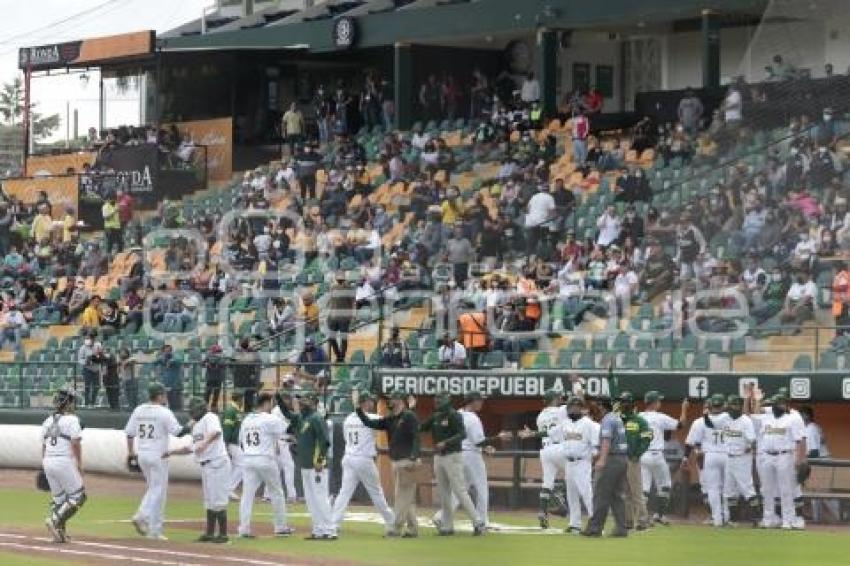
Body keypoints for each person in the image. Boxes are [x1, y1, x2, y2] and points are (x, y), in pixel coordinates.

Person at [433, 391, 506, 531]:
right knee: (481, 488)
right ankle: (482, 521)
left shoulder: (457, 413)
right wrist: (498, 438)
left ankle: (441, 517)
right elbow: (478, 441)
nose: (482, 403)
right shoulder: (473, 418)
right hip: (472, 456)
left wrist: (486, 447)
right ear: (472, 402)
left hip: (457, 454)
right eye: (479, 400)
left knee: (460, 489)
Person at [125, 382, 187, 540]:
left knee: (156, 490)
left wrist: (131, 453)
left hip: (143, 453)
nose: (165, 396)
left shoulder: (138, 410)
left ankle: (155, 530)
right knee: (157, 489)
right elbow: (178, 432)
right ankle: (141, 516)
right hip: (159, 454)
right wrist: (192, 423)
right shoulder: (164, 412)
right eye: (164, 394)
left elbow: (129, 433)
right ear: (159, 396)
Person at [420, 391, 486, 536]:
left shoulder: (454, 415)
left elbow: (462, 434)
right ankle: (447, 525)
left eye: (439, 400)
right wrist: (411, 410)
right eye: (436, 400)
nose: (436, 402)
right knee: (443, 493)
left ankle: (478, 522)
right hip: (439, 457)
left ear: (446, 401)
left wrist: (447, 442)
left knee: (460, 491)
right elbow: (421, 427)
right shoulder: (436, 416)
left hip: (453, 455)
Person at [357, 390, 421, 538]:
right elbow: (369, 422)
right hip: (396, 461)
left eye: (393, 398)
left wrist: (414, 456)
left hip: (407, 461)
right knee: (406, 498)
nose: (390, 401)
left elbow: (416, 437)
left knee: (401, 496)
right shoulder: (391, 419)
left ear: (400, 400)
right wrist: (358, 409)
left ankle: (395, 528)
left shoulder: (409, 416)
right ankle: (413, 529)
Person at [167, 398, 231, 543]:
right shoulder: (196, 426)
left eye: (193, 409)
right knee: (209, 500)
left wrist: (204, 443)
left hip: (217, 463)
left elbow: (215, 432)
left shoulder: (210, 417)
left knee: (218, 499)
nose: (191, 412)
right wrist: (171, 452)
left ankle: (223, 535)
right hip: (206, 465)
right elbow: (190, 447)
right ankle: (209, 533)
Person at [333, 390, 395, 534]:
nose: (372, 403)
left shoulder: (348, 418)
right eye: (370, 401)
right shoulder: (372, 417)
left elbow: (346, 439)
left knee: (344, 493)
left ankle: (334, 524)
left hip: (348, 458)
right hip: (364, 460)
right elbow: (389, 421)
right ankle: (391, 524)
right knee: (376, 493)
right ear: (365, 402)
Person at [533, 395, 597, 534]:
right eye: (571, 406)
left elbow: (596, 445)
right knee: (572, 495)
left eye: (576, 406)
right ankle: (575, 524)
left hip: (582, 462)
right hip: (569, 462)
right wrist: (532, 434)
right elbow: (550, 433)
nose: (573, 408)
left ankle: (595, 522)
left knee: (586, 493)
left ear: (581, 408)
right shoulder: (566, 423)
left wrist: (592, 458)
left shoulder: (589, 424)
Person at [277, 389, 335, 540]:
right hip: (304, 465)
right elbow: (286, 414)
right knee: (310, 499)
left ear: (312, 402)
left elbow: (324, 441)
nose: (301, 402)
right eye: (300, 400)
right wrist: (278, 397)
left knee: (320, 497)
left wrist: (320, 460)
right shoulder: (300, 417)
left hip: (316, 466)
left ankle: (330, 530)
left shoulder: (316, 418)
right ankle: (318, 529)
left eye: (304, 400)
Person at [237, 392, 294, 538]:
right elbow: (288, 430)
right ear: (267, 403)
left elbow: (241, 442)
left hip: (248, 458)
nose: (272, 406)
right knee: (277, 492)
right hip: (265, 459)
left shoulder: (247, 420)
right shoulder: (270, 418)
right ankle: (280, 527)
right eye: (271, 403)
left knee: (247, 495)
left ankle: (244, 528)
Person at [748, 390, 806, 529]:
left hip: (785, 455)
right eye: (779, 403)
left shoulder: (793, 418)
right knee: (766, 489)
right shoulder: (766, 416)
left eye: (784, 403)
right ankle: (769, 519)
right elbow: (751, 415)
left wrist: (800, 460)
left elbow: (801, 440)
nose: (782, 405)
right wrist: (756, 400)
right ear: (773, 405)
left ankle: (788, 520)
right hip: (766, 456)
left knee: (786, 490)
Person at [41, 388, 86, 543]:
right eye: (73, 401)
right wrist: (79, 464)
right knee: (78, 496)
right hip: (63, 461)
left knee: (60, 500)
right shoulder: (72, 419)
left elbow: (44, 446)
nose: (74, 404)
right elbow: (75, 443)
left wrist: (44, 467)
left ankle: (59, 533)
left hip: (48, 461)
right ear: (68, 403)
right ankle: (55, 520)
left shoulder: (47, 421)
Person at [638, 391, 688, 525]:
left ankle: (641, 517)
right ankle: (659, 515)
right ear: (654, 403)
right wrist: (684, 408)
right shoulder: (659, 417)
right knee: (665, 485)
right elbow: (681, 425)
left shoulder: (638, 416)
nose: (660, 403)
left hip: (642, 455)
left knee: (644, 488)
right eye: (658, 401)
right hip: (656, 455)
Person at [583, 394, 629, 537]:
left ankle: (594, 528)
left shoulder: (607, 420)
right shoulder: (617, 418)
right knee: (617, 496)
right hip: (622, 459)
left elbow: (606, 441)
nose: (594, 407)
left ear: (601, 406)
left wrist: (602, 459)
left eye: (596, 405)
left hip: (611, 460)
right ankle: (621, 528)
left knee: (601, 494)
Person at [521, 388, 566, 529]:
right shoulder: (562, 410)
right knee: (575, 475)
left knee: (547, 483)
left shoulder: (540, 415)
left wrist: (533, 434)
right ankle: (559, 496)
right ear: (554, 399)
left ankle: (542, 511)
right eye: (558, 397)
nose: (560, 399)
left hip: (546, 450)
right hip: (561, 448)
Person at [683, 394, 730, 527]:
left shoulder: (700, 421)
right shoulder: (729, 418)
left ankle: (717, 519)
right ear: (723, 405)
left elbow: (692, 443)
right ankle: (726, 517)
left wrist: (687, 457)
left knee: (712, 489)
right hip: (727, 455)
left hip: (710, 455)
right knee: (727, 488)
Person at [722, 394, 759, 526]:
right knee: (729, 489)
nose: (733, 407)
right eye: (731, 404)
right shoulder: (725, 418)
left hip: (742, 458)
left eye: (735, 405)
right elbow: (710, 423)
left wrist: (749, 448)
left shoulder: (745, 421)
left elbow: (753, 441)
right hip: (729, 457)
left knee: (747, 488)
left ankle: (757, 518)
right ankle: (733, 520)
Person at [618, 392, 652, 531]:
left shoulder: (640, 421)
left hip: (632, 459)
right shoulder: (619, 420)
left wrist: (637, 454)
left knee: (636, 491)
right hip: (620, 459)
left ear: (632, 404)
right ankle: (628, 521)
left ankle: (643, 521)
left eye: (625, 402)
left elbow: (646, 438)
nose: (623, 404)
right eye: (622, 402)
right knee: (626, 493)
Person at [267, 389, 298, 503]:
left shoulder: (284, 410)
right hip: (279, 441)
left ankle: (268, 494)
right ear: (284, 399)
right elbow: (276, 429)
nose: (289, 401)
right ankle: (291, 495)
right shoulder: (276, 411)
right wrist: (275, 444)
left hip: (283, 441)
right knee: (288, 467)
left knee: (275, 469)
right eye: (288, 399)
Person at [326, 273, 355, 362]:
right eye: (338, 278)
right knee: (331, 338)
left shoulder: (349, 288)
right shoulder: (332, 287)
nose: (340, 279)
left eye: (341, 278)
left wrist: (352, 315)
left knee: (343, 339)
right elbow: (330, 301)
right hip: (333, 316)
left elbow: (353, 302)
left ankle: (342, 357)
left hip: (344, 317)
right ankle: (338, 355)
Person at [222, 390, 245, 500]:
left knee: (237, 465)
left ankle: (227, 489)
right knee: (242, 464)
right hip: (232, 442)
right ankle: (229, 489)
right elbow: (227, 428)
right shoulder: (231, 410)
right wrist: (225, 444)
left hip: (236, 442)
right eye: (242, 399)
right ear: (240, 399)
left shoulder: (235, 410)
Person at [155, 344, 182, 411]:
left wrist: (172, 361)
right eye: (165, 350)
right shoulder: (162, 358)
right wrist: (161, 358)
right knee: (165, 401)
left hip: (175, 384)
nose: (167, 352)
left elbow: (179, 360)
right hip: (165, 383)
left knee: (175, 404)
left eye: (169, 350)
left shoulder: (175, 357)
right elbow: (154, 362)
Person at [203, 345, 226, 411]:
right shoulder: (220, 357)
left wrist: (208, 364)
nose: (218, 353)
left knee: (209, 392)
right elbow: (223, 364)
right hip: (216, 378)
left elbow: (202, 363)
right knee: (214, 393)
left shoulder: (209, 356)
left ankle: (208, 407)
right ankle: (212, 407)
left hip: (213, 377)